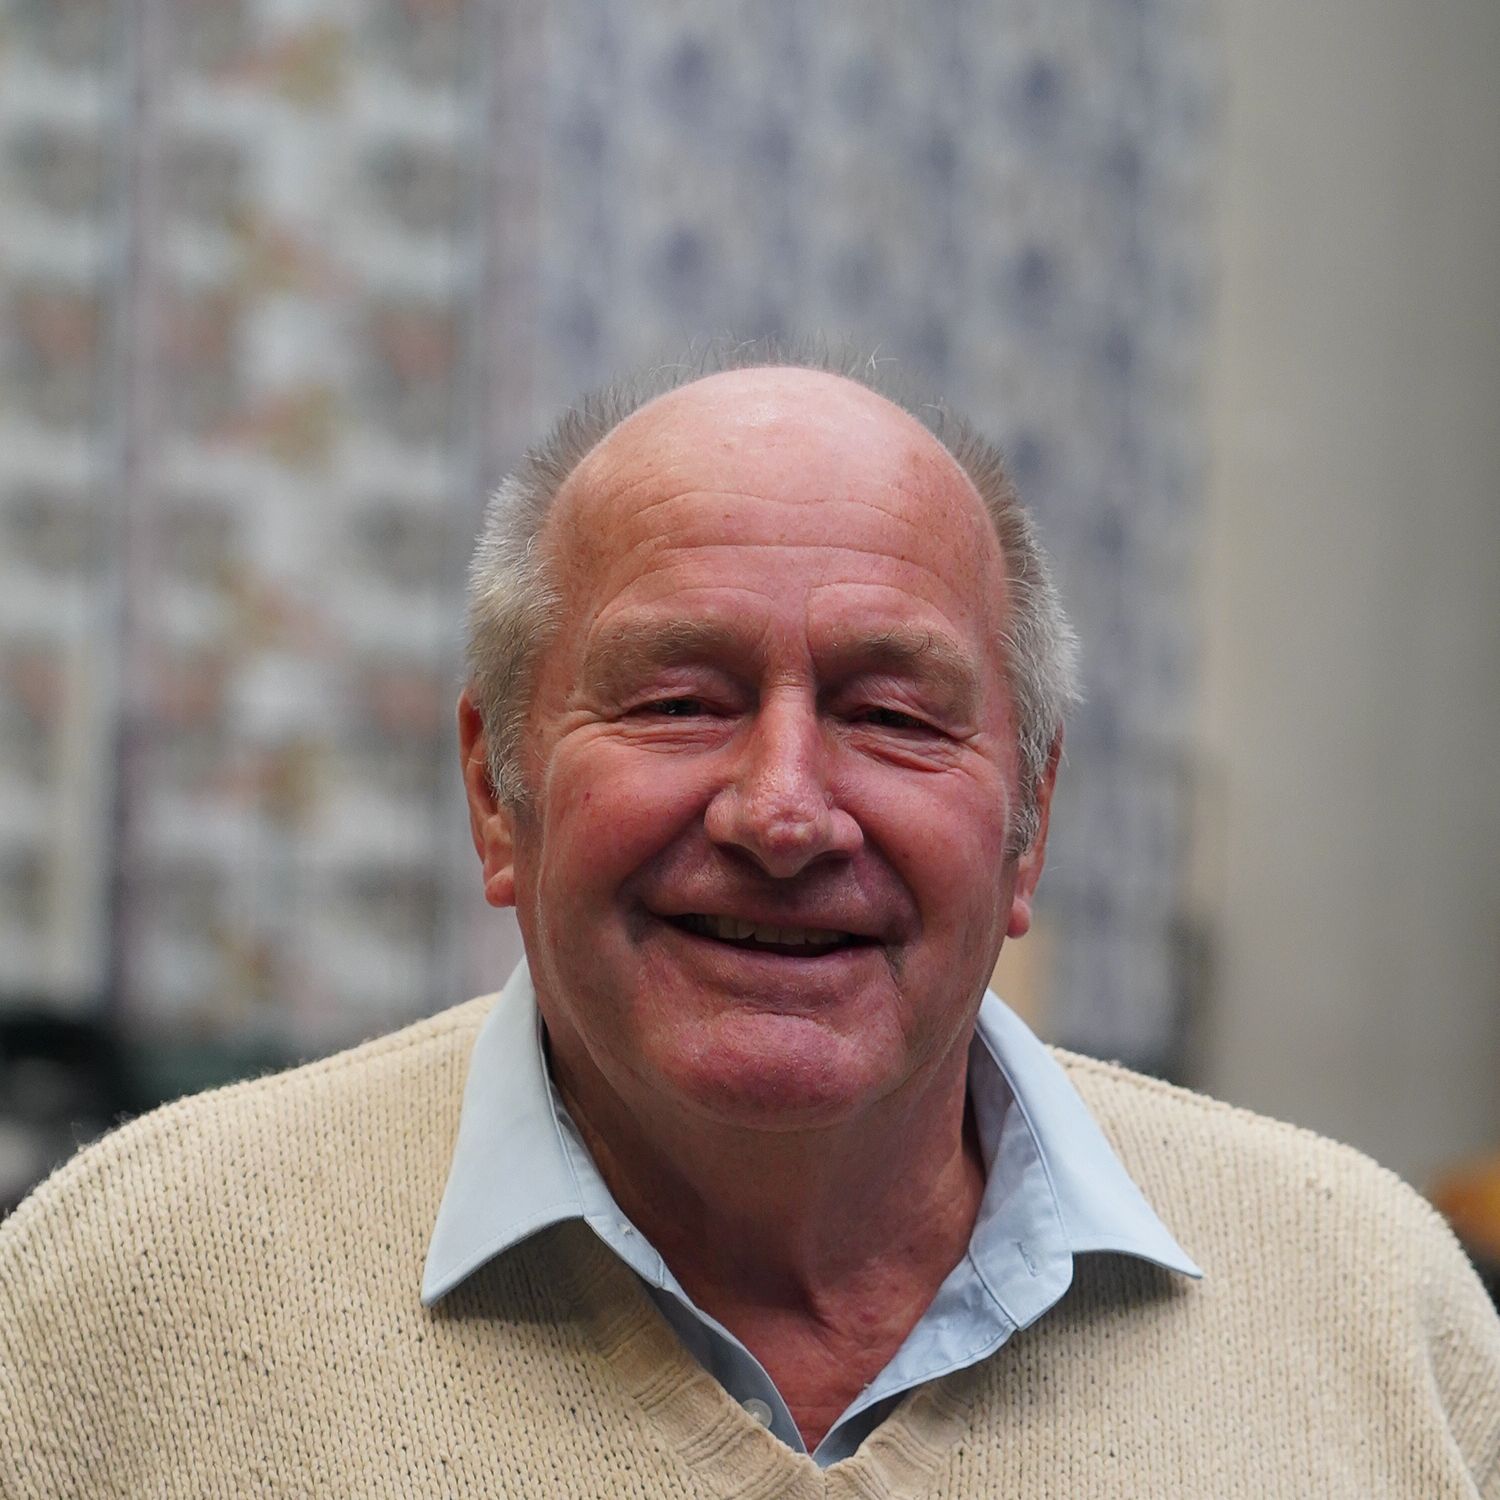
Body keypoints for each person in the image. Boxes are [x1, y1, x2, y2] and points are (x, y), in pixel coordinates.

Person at [2, 345, 1497, 1498]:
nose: (783, 812)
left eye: (894, 714)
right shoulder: (134, 1288)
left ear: (1029, 821)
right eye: (677, 702)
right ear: (494, 792)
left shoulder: (1372, 1306)